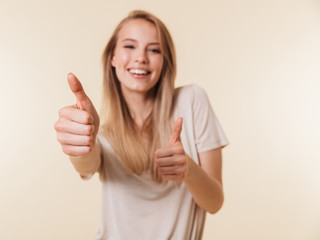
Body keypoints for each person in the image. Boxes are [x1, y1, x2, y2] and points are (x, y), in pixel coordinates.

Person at [54, 10, 228, 240]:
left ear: (165, 61)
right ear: (112, 58)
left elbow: (214, 203)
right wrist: (82, 143)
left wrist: (189, 170)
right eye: (129, 46)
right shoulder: (101, 132)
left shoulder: (192, 101)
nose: (141, 57)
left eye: (154, 49)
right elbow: (86, 165)